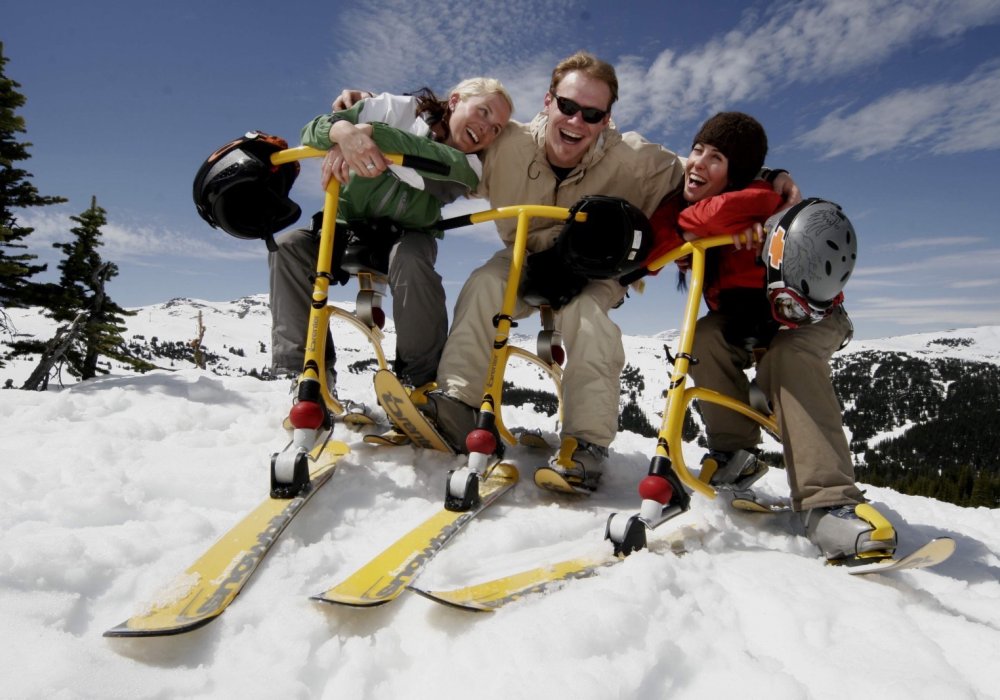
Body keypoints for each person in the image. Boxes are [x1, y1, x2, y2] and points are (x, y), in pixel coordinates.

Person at [641, 111, 894, 561]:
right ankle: (734, 451)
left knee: (789, 356)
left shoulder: (765, 200)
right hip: (742, 320)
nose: (698, 163)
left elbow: (743, 205)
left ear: (738, 170)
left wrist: (718, 222)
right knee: (703, 341)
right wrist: (696, 224)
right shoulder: (688, 203)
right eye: (697, 150)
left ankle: (829, 501)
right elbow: (661, 243)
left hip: (809, 318)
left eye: (716, 157)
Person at [269, 79, 514, 401]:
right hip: (348, 224)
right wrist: (342, 133)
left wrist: (371, 135)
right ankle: (305, 369)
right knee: (290, 247)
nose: (485, 129)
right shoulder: (397, 110)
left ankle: (421, 379)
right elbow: (313, 130)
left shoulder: (474, 163)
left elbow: (444, 167)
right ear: (455, 100)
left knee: (411, 261)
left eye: (496, 128)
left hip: (410, 234)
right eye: (483, 112)